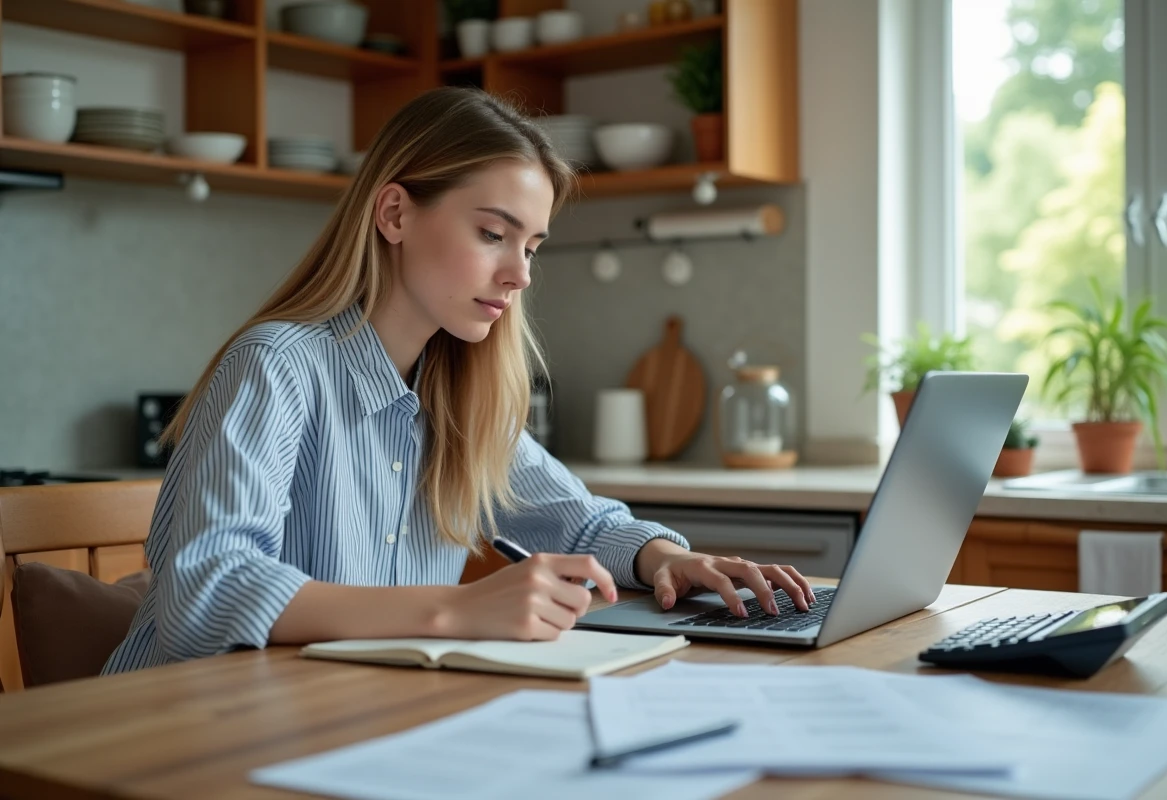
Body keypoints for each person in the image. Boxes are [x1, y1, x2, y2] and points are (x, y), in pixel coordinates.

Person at [103, 87, 815, 674]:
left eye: (531, 246)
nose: (520, 273)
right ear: (394, 213)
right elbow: (209, 591)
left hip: (340, 719)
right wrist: (455, 610)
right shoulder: (277, 365)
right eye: (492, 234)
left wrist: (671, 558)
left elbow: (578, 520)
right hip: (180, 732)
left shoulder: (457, 393)